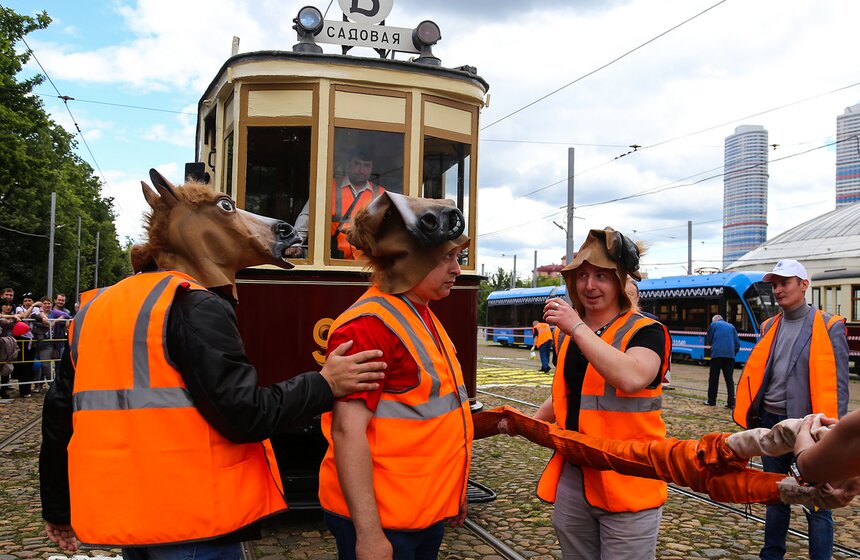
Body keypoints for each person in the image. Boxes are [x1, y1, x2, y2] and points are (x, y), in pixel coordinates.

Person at [39, 169, 388, 559]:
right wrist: (325, 383)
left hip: (135, 525)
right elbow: (245, 414)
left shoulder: (95, 309)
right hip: (195, 524)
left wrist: (56, 508)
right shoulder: (194, 304)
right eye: (227, 208)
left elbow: (58, 418)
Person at [318, 192, 472, 560]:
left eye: (457, 257)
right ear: (412, 262)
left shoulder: (421, 312)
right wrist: (369, 535)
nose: (457, 270)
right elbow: (347, 431)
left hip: (419, 511)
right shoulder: (369, 326)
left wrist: (455, 490)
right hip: (387, 522)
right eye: (446, 258)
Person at [509, 227, 670, 560]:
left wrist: (578, 328)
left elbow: (632, 377)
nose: (590, 286)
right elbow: (568, 396)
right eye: (582, 275)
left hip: (629, 479)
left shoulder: (648, 332)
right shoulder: (571, 336)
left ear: (619, 281)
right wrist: (525, 423)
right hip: (577, 477)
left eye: (602, 276)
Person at [733, 259, 849, 560]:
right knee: (775, 495)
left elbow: (838, 385)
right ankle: (771, 555)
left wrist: (831, 433)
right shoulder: (769, 325)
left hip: (808, 430)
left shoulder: (828, 326)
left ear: (803, 285)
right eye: (775, 284)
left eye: (785, 283)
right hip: (772, 423)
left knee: (817, 502)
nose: (778, 290)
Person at [294, 150, 385, 259]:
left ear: (372, 168)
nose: (361, 170)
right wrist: (296, 243)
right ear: (348, 164)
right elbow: (308, 215)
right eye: (357, 164)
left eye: (366, 166)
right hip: (333, 260)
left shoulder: (381, 194)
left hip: (367, 262)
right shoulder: (329, 187)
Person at [704, 314, 740, 409]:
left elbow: (709, 339)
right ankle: (731, 402)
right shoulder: (731, 326)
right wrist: (732, 353)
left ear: (714, 320)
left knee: (713, 379)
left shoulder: (713, 325)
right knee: (729, 380)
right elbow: (737, 344)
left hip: (717, 355)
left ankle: (711, 401)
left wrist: (714, 346)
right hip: (730, 356)